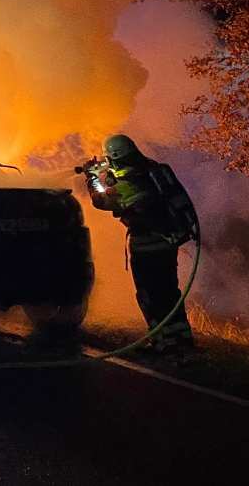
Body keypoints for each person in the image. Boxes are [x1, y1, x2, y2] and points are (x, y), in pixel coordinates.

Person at [92, 134, 199, 355]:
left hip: (146, 247)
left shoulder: (127, 184)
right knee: (169, 292)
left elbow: (100, 201)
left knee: (150, 296)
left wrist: (93, 178)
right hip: (169, 243)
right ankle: (183, 340)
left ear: (113, 158)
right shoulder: (154, 170)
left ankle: (163, 344)